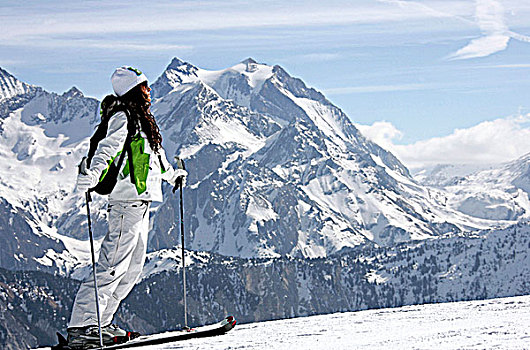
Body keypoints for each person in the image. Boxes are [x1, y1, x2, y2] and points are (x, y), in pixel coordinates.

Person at [67, 66, 187, 349]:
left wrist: (173, 175)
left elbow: (156, 159)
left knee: (131, 270)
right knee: (111, 266)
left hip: (141, 203)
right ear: (134, 90)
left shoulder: (142, 120)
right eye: (145, 87)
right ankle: (81, 327)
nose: (150, 91)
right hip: (124, 203)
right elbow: (108, 149)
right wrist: (92, 175)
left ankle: (101, 324)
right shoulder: (123, 117)